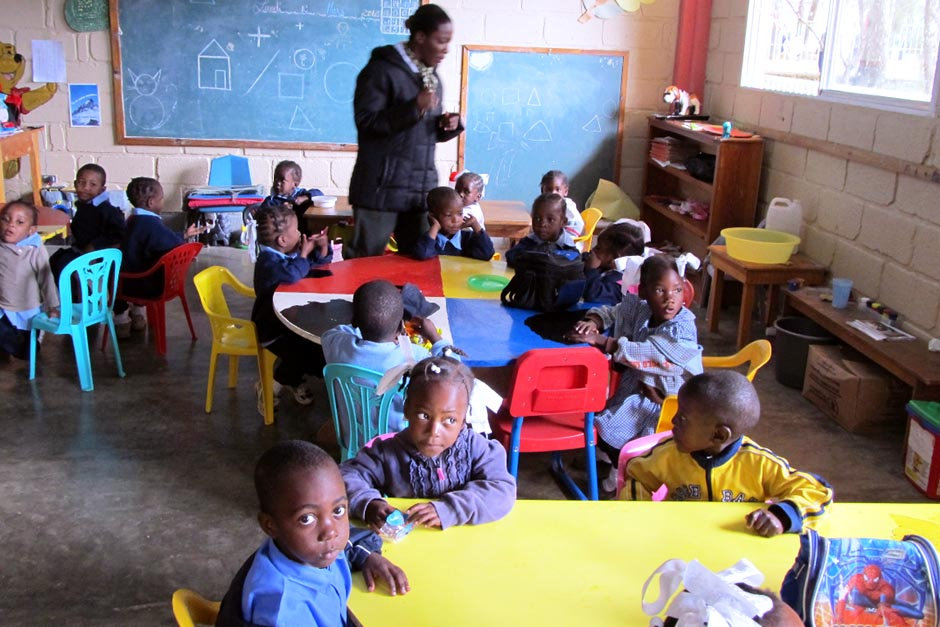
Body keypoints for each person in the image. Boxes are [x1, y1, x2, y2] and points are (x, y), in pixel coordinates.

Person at [215, 440, 409, 627]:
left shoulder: (310, 549)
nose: (331, 531)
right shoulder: (283, 611)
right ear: (270, 525)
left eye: (338, 510)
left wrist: (368, 557)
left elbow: (351, 543)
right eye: (306, 519)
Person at [624, 371, 833, 536]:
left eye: (683, 418)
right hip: (678, 545)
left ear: (719, 435)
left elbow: (816, 491)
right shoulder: (668, 454)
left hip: (740, 555)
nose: (673, 421)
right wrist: (641, 517)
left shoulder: (758, 463)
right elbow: (637, 476)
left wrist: (782, 517)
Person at [568, 255, 702, 484]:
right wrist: (594, 321)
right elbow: (613, 312)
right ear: (643, 292)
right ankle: (605, 460)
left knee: (617, 435)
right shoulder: (641, 309)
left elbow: (654, 354)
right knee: (602, 422)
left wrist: (602, 341)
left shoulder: (682, 328)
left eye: (677, 290)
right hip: (634, 388)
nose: (670, 299)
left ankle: (619, 478)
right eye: (660, 290)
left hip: (662, 400)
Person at [341, 356, 516, 530]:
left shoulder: (478, 449)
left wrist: (451, 509)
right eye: (424, 416)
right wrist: (368, 502)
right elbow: (344, 478)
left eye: (450, 420)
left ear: (464, 419)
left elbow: (503, 491)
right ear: (407, 409)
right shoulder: (385, 453)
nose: (434, 431)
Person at [347, 4, 463, 258]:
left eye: (448, 42)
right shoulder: (380, 70)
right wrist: (414, 108)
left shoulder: (432, 79)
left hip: (419, 191)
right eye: (441, 41)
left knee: (419, 262)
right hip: (381, 190)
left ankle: (405, 301)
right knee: (365, 262)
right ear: (420, 37)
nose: (445, 49)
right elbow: (367, 122)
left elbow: (421, 134)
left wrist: (445, 125)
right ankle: (367, 301)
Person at [321, 279, 459, 433]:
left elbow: (336, 332)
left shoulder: (336, 344)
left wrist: (364, 322)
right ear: (401, 327)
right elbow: (454, 371)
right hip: (397, 445)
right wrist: (435, 338)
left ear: (354, 321)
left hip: (353, 440)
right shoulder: (415, 357)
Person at [251, 204, 332, 413]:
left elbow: (308, 268)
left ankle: (292, 378)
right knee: (314, 352)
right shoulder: (268, 263)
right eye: (297, 231)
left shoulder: (282, 256)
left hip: (289, 322)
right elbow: (293, 273)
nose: (301, 234)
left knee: (313, 344)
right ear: (283, 240)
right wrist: (304, 255)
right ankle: (274, 384)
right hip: (273, 331)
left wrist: (322, 248)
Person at [115, 177, 203, 336]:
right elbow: (171, 242)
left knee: (118, 273)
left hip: (130, 280)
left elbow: (164, 239)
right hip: (147, 285)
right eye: (161, 199)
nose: (163, 202)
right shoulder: (150, 224)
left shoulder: (133, 220)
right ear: (151, 203)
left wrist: (184, 234)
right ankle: (132, 316)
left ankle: (126, 319)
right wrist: (183, 237)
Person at [0, 201, 59, 360]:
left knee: (26, 353)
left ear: (30, 230)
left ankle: (30, 341)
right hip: (2, 307)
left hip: (26, 309)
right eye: (5, 219)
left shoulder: (34, 250)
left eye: (19, 222)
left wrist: (53, 306)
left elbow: (46, 279)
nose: (10, 225)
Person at [49, 164, 125, 284]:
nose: (85, 188)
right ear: (75, 184)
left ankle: (82, 298)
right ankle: (68, 298)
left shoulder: (107, 210)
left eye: (92, 184)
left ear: (102, 189)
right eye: (81, 183)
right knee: (55, 260)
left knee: (65, 266)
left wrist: (93, 245)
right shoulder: (85, 205)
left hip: (99, 256)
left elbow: (119, 234)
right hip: (81, 250)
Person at [412, 187, 494, 261]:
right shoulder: (430, 240)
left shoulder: (466, 239)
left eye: (460, 213)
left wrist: (475, 225)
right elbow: (422, 254)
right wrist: (435, 227)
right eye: (448, 215)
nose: (456, 220)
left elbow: (487, 254)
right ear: (433, 217)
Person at [503, 193, 580, 268]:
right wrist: (531, 255)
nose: (542, 224)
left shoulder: (568, 247)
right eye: (537, 218)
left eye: (550, 220)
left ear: (563, 222)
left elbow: (575, 263)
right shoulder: (529, 242)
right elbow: (510, 256)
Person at [582, 222, 645, 305]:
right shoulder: (607, 266)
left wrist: (591, 269)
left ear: (615, 257)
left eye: (598, 248)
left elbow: (594, 295)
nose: (593, 250)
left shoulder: (623, 283)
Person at [261, 160, 323, 235]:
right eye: (275, 179)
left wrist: (305, 197)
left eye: (282, 181)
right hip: (282, 237)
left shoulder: (301, 194)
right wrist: (280, 210)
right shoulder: (271, 201)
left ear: (295, 184)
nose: (277, 183)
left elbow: (319, 194)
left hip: (304, 232)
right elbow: (262, 217)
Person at [540, 170, 583, 243]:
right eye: (548, 189)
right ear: (542, 191)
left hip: (568, 244)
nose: (553, 193)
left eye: (557, 189)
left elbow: (578, 226)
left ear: (565, 191)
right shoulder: (544, 205)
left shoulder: (568, 207)